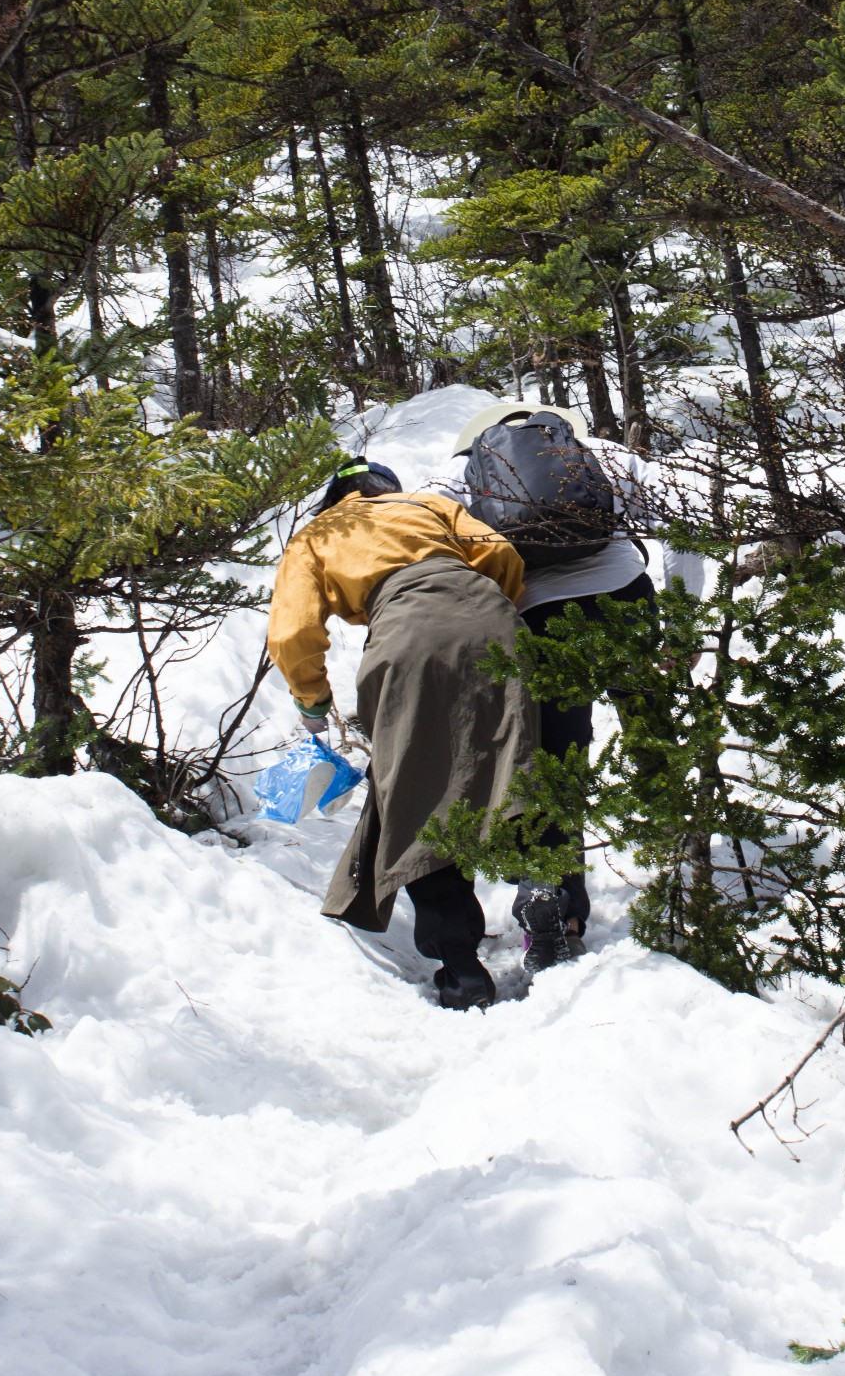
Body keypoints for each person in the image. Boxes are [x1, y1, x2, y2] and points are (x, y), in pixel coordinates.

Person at [427, 401, 706, 968]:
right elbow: (684, 530)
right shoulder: (606, 456)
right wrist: (681, 622)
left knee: (555, 763)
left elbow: (436, 559)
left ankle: (555, 907)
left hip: (537, 618)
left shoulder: (457, 476)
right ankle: (684, 853)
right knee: (648, 718)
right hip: (624, 596)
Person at [266, 456, 534, 1010]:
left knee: (417, 790)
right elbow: (502, 554)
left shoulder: (319, 533)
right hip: (494, 619)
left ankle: (461, 968)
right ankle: (548, 900)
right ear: (386, 487)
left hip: (406, 633)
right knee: (517, 761)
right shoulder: (429, 504)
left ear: (335, 497)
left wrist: (312, 701)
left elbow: (293, 629)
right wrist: (493, 608)